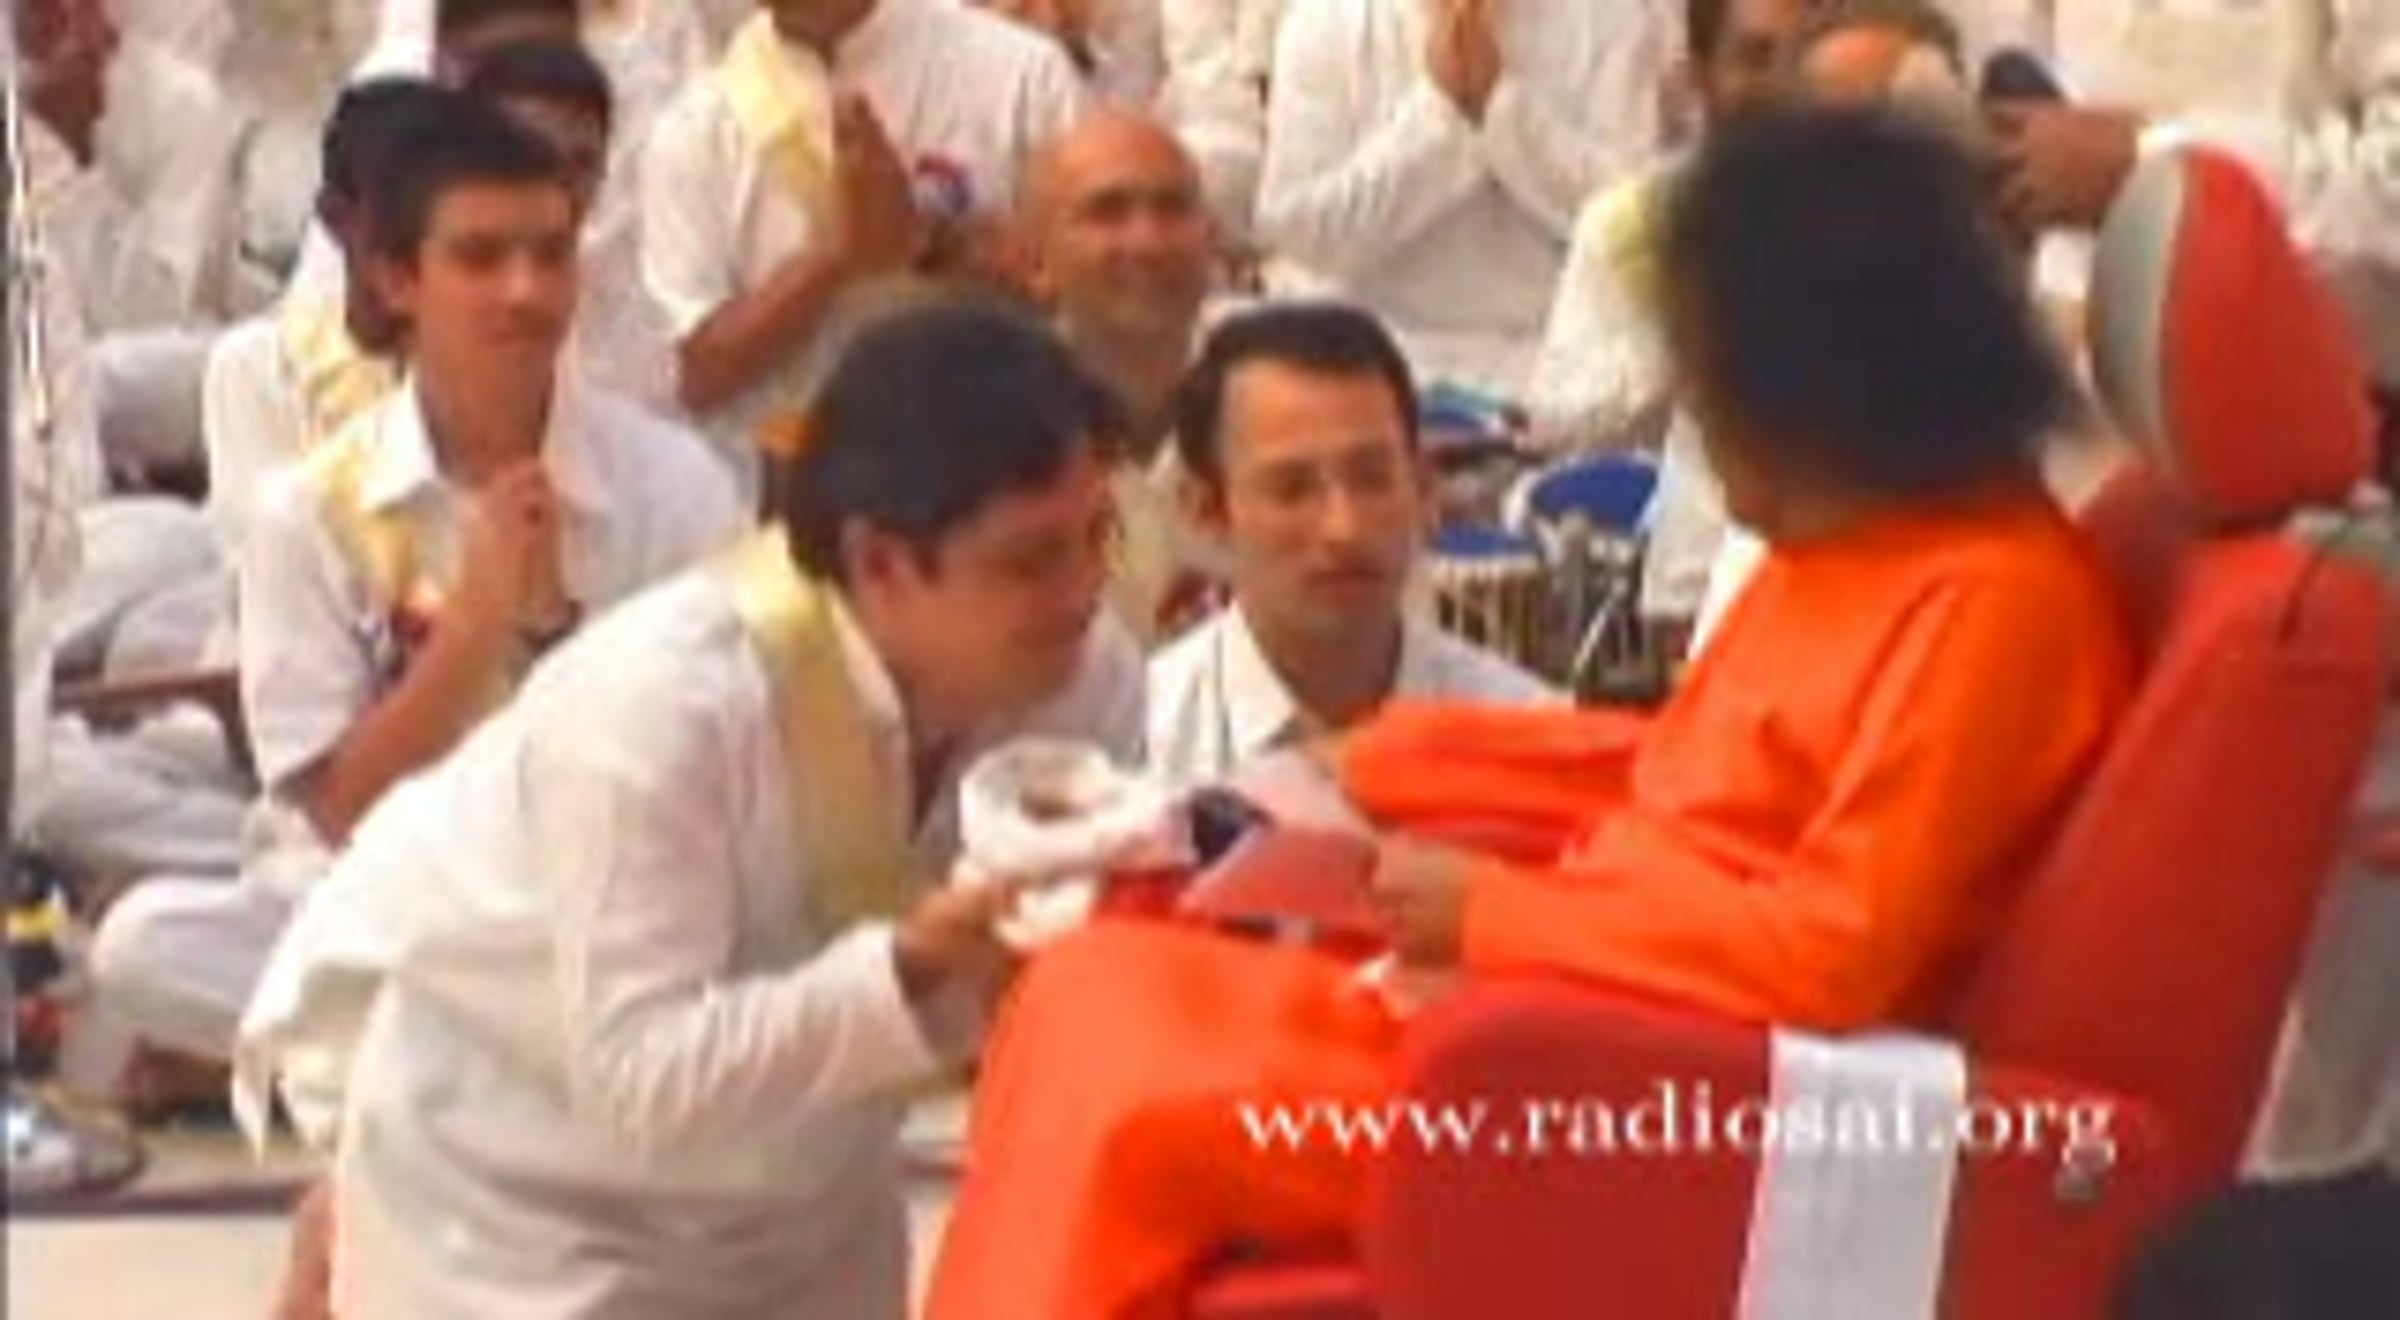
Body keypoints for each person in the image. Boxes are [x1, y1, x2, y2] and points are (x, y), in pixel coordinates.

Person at [927, 104, 2133, 1318]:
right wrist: (1382, 765)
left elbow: (1828, 959)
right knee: (1086, 986)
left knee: (1126, 1091)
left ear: (1818, 384)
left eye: (1708, 377)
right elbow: (1672, 768)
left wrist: (1492, 911)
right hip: (1582, 1008)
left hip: (1653, 1096)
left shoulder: (1994, 604)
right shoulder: (1859, 548)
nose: (1692, 415)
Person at [236, 302, 1145, 1318]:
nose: (1082, 590)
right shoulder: (666, 704)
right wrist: (912, 968)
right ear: (881, 562)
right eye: (1031, 560)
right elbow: (644, 1078)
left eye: (1095, 537)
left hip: (808, 1201)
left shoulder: (1083, 671)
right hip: (520, 1192)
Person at [88, 92, 744, 1071]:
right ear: (398, 279)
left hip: (605, 908)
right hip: (393, 906)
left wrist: (554, 644)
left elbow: (716, 773)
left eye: (550, 255)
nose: (524, 291)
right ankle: (502, 1069)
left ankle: (432, 1070)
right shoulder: (309, 512)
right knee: (143, 944)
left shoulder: (674, 485)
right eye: (480, 258)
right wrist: (475, 630)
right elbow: (344, 812)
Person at [641, 0, 1089, 498]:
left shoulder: (1021, 75)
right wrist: (835, 258)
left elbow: (1094, 298)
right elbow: (697, 375)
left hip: (999, 484)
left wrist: (929, 241)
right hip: (781, 496)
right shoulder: (696, 128)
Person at [1148, 304, 1553, 785]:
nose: (1344, 529)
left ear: (1423, 487)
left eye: (1372, 479)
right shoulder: (1140, 747)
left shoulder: (1532, 737)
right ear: (1209, 510)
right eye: (1292, 490)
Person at [1521, 0, 1813, 659]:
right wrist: (1668, 355)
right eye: (1755, 57)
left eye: (1801, 57)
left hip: (1846, 576)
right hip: (1693, 589)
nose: (1781, 83)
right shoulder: (1639, 224)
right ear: (1701, 72)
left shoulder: (1887, 223)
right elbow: (1555, 417)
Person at [1251, 0, 1679, 395]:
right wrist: (1440, 114)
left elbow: (1624, 216)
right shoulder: (1324, 24)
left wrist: (1501, 109)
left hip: (1555, 363)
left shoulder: (1609, 21)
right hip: (1369, 362)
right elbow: (1299, 227)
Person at [1017, 109, 1224, 642]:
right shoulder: (983, 435)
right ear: (1035, 261)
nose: (1147, 241)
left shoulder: (1281, 405)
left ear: (1213, 240)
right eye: (1107, 212)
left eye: (1173, 208)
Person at [464, 37, 685, 412]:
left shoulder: (630, 304)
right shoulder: (422, 295)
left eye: (582, 162)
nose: (560, 184)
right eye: (536, 155)